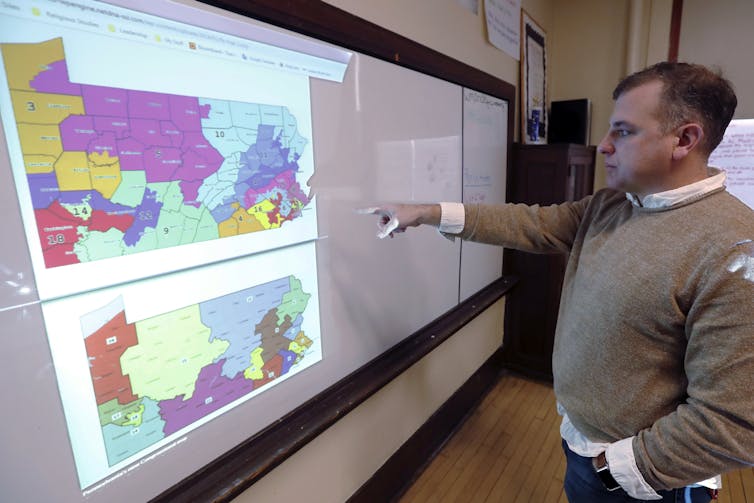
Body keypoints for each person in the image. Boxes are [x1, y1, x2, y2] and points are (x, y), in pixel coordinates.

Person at [364, 62, 754, 502]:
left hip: (644, 481)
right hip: (583, 444)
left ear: (684, 139)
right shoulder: (612, 205)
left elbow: (735, 421)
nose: (603, 146)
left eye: (623, 132)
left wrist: (616, 469)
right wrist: (427, 212)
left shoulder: (736, 251)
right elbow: (530, 223)